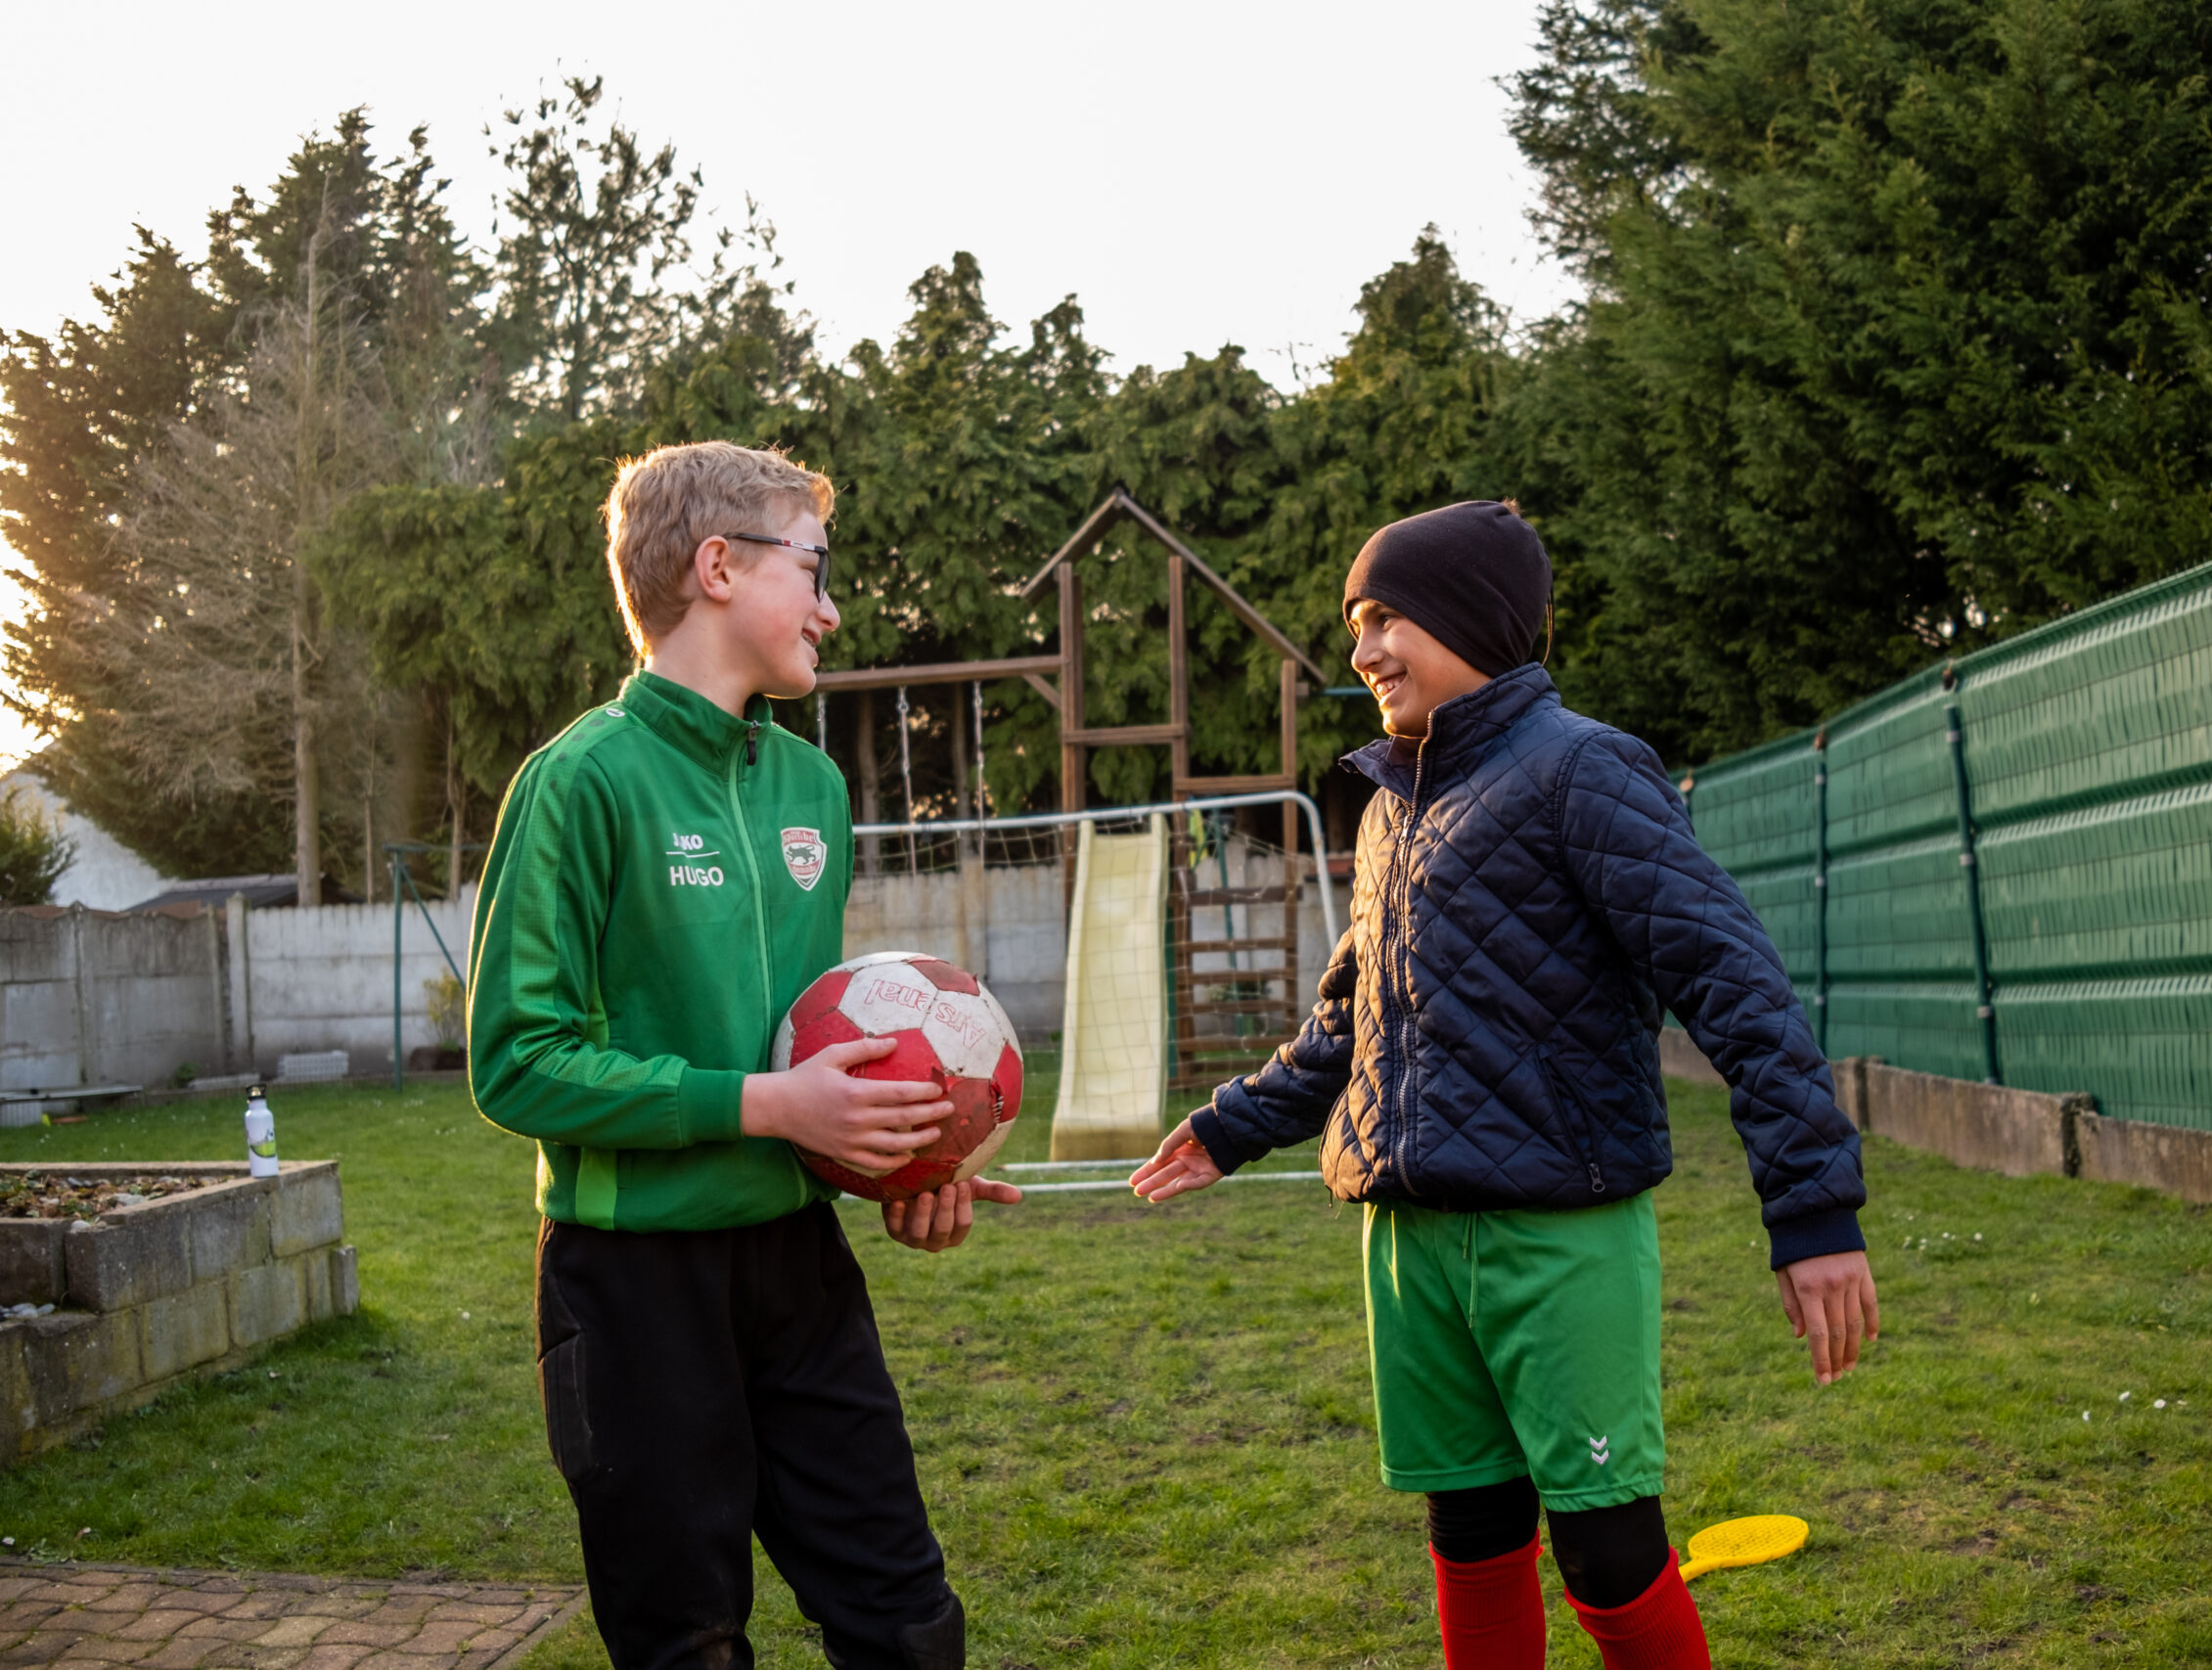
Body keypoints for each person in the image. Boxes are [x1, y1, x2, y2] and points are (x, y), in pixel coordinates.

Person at [1131, 500, 1878, 1670]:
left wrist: (1813, 1209)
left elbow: (1735, 985)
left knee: (1608, 1551)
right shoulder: (1391, 804)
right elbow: (1351, 1017)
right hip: (1405, 1240)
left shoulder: (1583, 770)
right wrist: (1234, 1126)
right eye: (1354, 624)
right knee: (1470, 1535)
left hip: (1557, 1234)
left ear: (1470, 616)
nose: (1363, 650)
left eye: (1385, 618)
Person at [468, 440, 1015, 1670]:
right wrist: (767, 1108)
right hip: (632, 1284)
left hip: (795, 1273)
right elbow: (517, 1061)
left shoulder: (815, 788)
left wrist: (902, 1157)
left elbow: (810, 1043)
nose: (830, 607)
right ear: (716, 567)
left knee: (910, 1626)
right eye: (812, 569)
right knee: (689, 1647)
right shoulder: (579, 782)